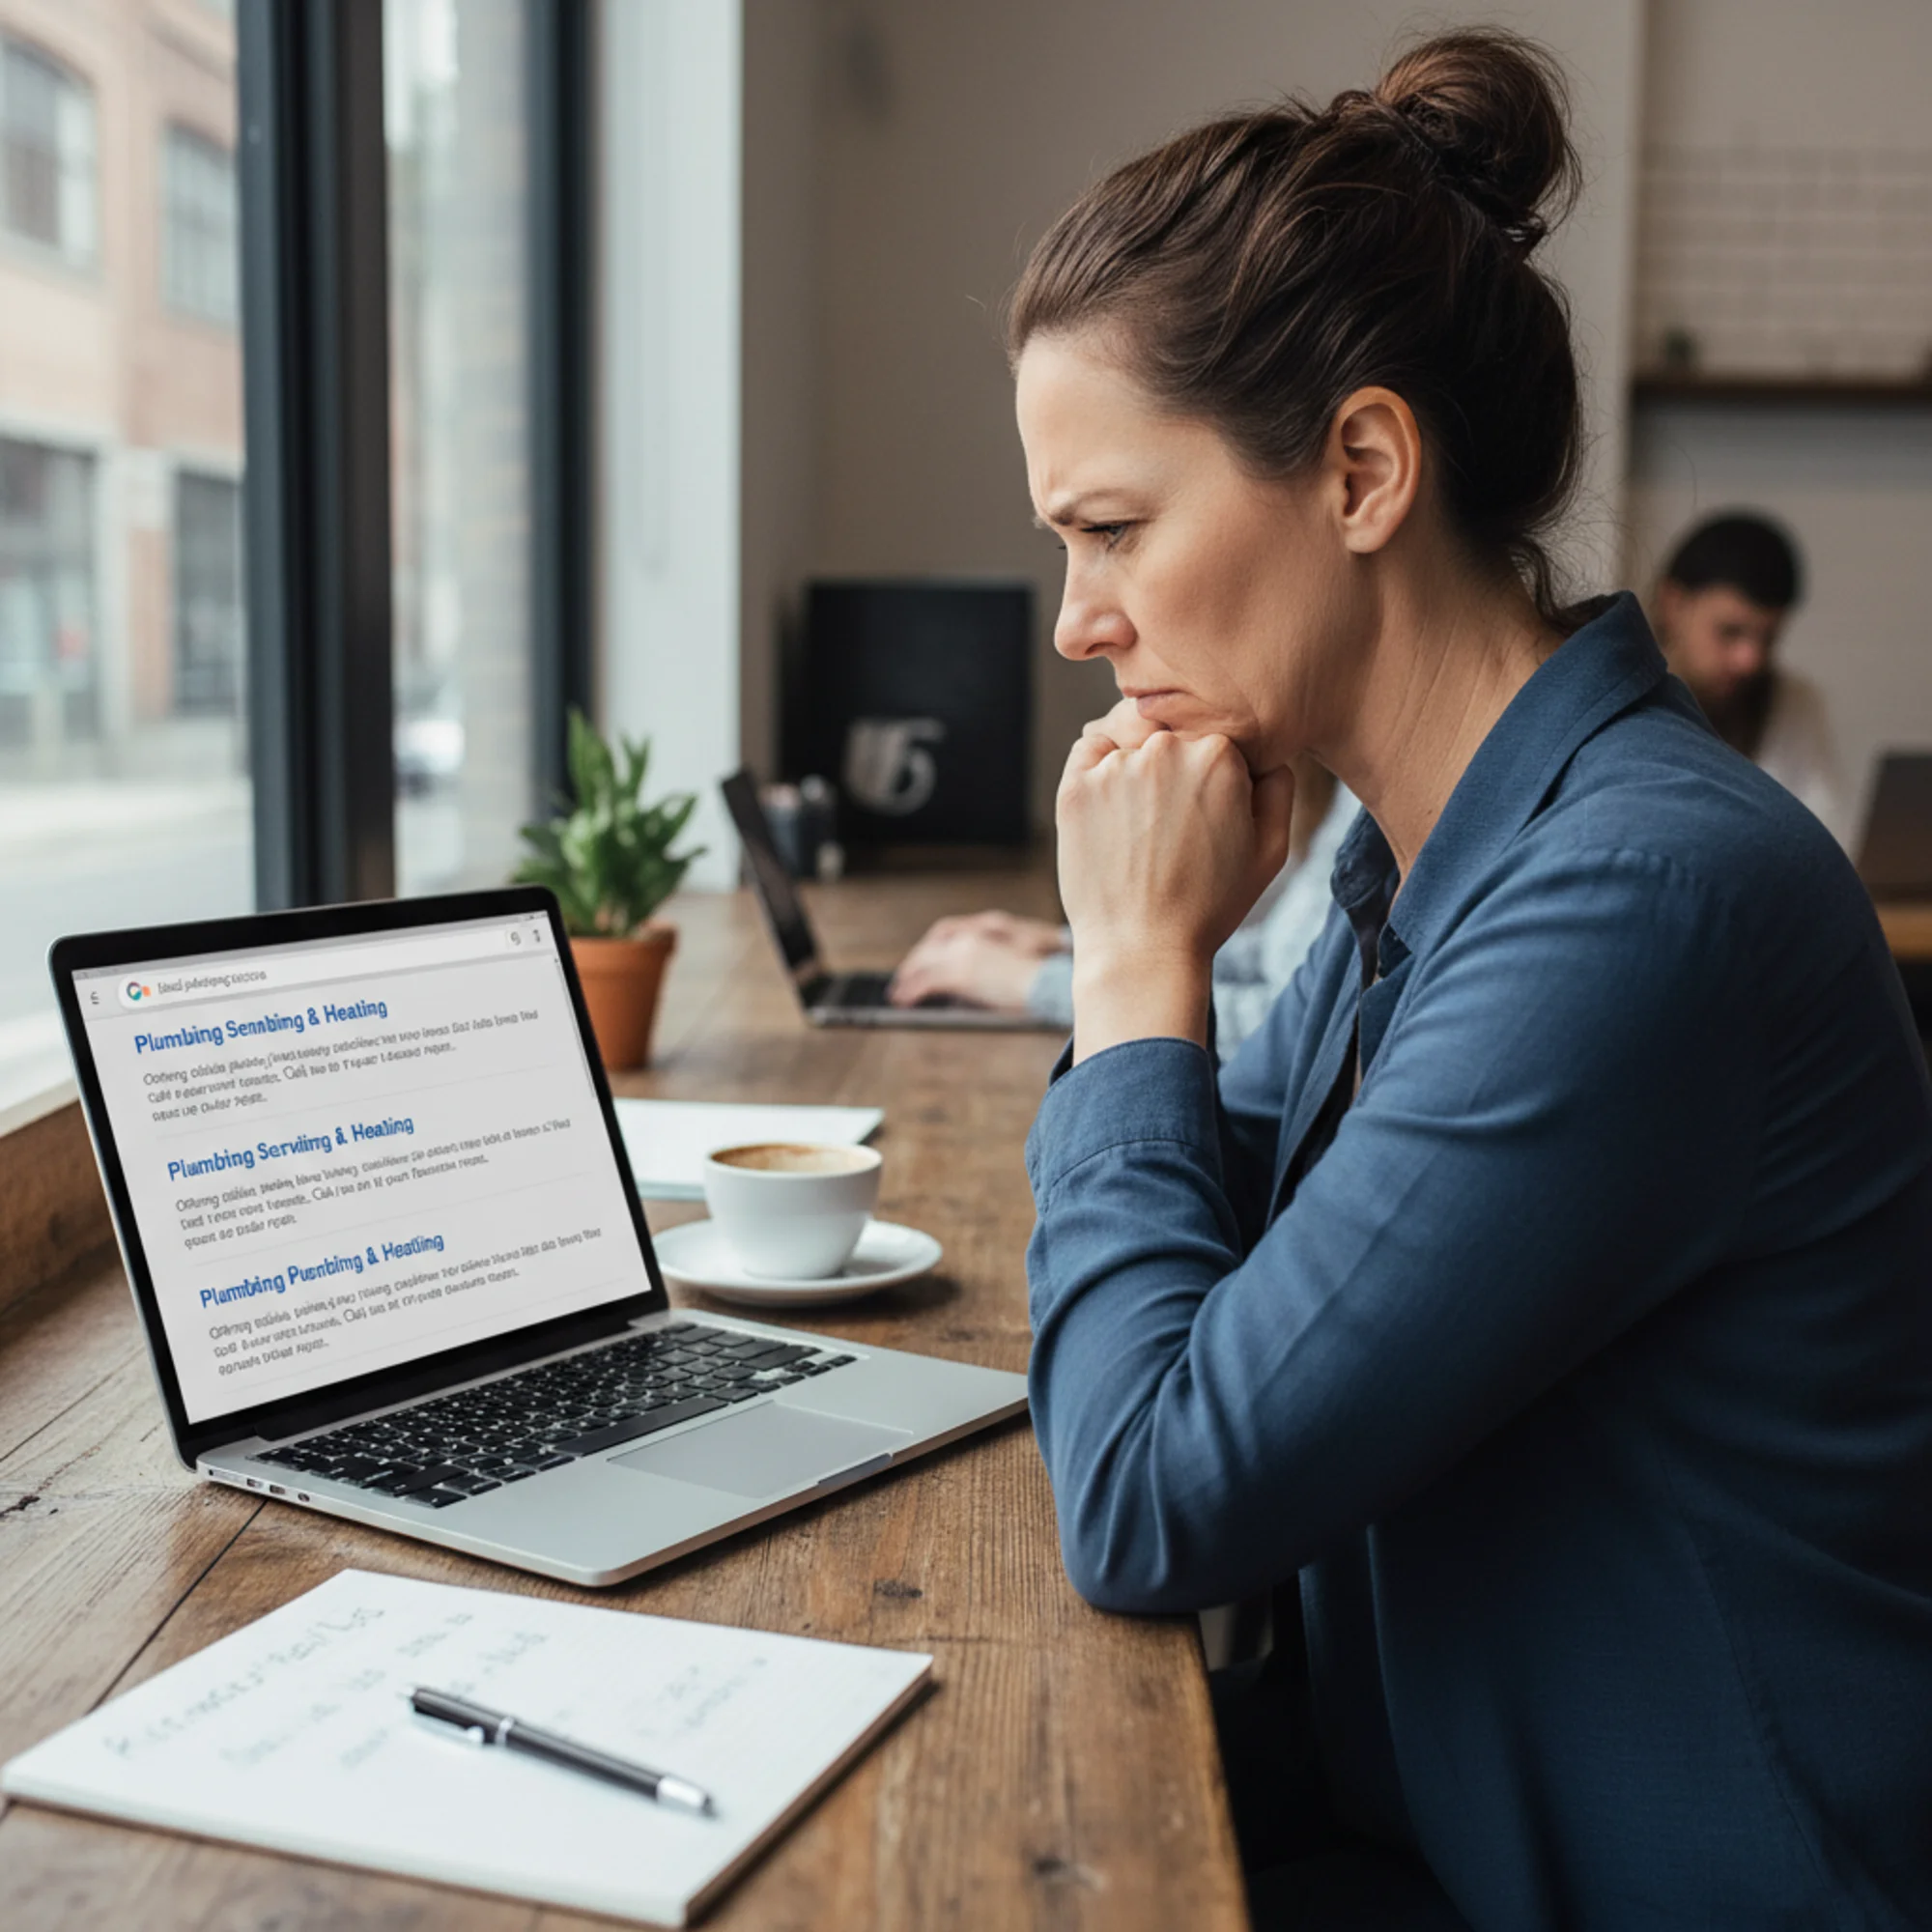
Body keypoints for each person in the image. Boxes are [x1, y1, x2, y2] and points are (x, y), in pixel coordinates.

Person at [1013, 27, 1932, 1931]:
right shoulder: (1420, 843)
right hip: (1431, 1804)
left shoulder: (1635, 899)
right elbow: (1239, 1247)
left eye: (1114, 528)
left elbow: (1148, 1494)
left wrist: (1130, 962)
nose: (1077, 620)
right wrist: (1147, 989)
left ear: (1359, 467)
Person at [886, 762, 1359, 1058]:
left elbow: (1292, 1030)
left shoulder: (1368, 802)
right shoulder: (1348, 795)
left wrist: (1030, 984)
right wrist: (1070, 945)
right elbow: (1278, 959)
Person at [1653, 511, 1847, 842]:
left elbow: (1832, 838)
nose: (1750, 660)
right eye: (1730, 632)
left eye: (1768, 638)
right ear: (1673, 604)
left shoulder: (1794, 701)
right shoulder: (1616, 699)